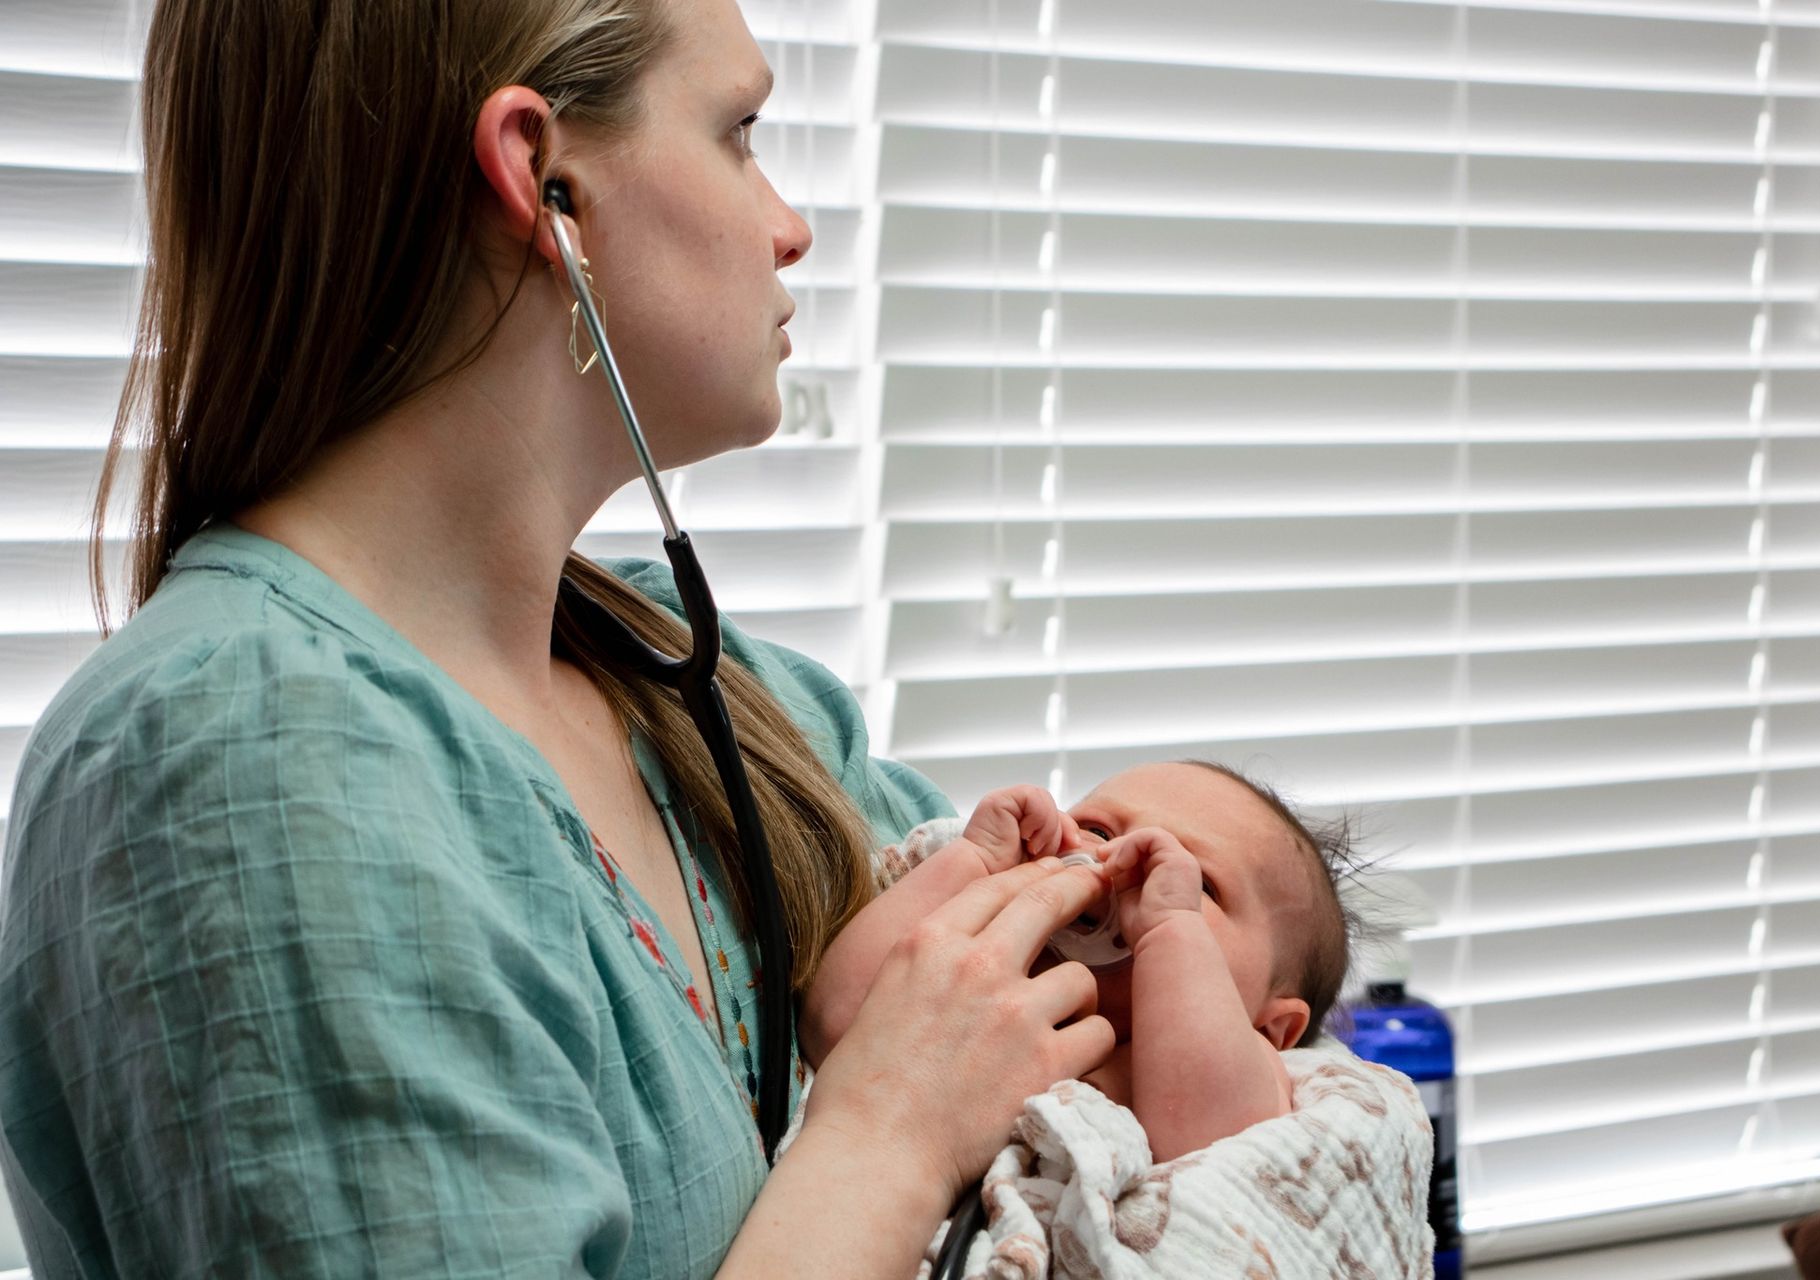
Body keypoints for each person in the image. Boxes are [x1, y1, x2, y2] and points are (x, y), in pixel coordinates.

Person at [0, 1, 1117, 1276]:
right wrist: (891, 1131)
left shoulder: (717, 691)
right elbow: (932, 1077)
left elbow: (1064, 1023)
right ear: (543, 179)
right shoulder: (243, 757)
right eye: (738, 132)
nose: (790, 227)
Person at [801, 762, 1355, 1165]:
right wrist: (975, 861)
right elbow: (837, 1022)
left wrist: (1170, 929)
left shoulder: (1239, 1063)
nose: (1122, 863)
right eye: (1098, 830)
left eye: (1200, 882)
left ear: (1272, 1025)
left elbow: (1217, 1152)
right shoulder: (986, 964)